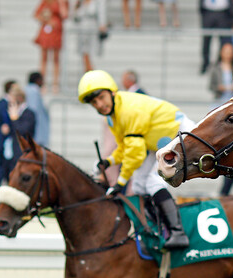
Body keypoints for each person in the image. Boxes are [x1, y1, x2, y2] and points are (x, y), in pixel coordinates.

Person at [77, 70, 193, 249]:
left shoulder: (128, 110)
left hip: (182, 137)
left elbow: (136, 154)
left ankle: (178, 233)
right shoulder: (113, 116)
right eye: (94, 102)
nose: (99, 104)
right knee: (139, 184)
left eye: (101, 97)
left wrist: (120, 182)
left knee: (154, 182)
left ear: (112, 92)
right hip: (160, 144)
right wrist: (109, 161)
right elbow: (125, 147)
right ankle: (153, 229)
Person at [0, 80, 18, 205]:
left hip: (7, 143)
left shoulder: (4, 103)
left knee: (7, 172)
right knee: (2, 171)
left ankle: (5, 198)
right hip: (3, 143)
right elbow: (4, 122)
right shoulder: (3, 104)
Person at [2, 85, 37, 178]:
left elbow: (22, 131)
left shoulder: (29, 114)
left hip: (23, 154)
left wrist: (14, 119)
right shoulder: (15, 114)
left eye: (12, 102)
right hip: (12, 153)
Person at [33, 0, 69, 93]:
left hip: (57, 31)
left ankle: (55, 83)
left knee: (56, 59)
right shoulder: (46, 1)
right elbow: (36, 15)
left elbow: (65, 15)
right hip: (46, 31)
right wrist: (46, 20)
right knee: (44, 58)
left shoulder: (63, 2)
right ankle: (42, 83)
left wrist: (61, 3)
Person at [200, 0, 233, 75]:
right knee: (206, 39)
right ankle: (205, 63)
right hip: (208, 10)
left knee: (224, 40)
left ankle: (221, 63)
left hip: (223, 11)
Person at [72, 0, 107, 73]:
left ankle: (92, 72)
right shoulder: (80, 2)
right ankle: (87, 72)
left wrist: (102, 25)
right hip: (82, 29)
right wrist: (76, 6)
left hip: (93, 29)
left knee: (91, 53)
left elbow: (102, 13)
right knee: (84, 53)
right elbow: (75, 17)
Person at [25, 72, 50, 147]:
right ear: (37, 80)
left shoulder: (31, 90)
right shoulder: (33, 91)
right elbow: (33, 111)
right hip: (35, 132)